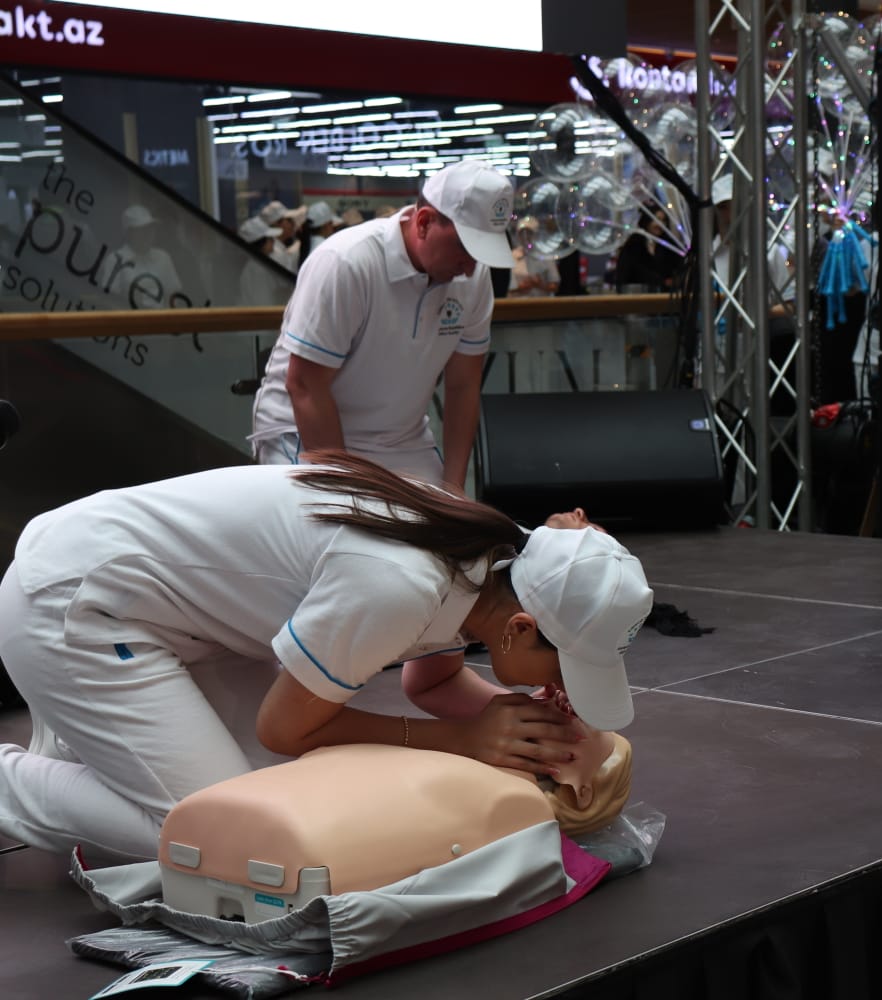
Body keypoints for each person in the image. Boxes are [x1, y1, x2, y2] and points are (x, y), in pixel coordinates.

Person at [0, 453, 654, 861]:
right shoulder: (399, 584)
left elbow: (433, 684)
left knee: (273, 800)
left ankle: (85, 739)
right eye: (566, 669)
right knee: (217, 836)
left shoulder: (502, 557)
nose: (563, 688)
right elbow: (283, 730)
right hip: (75, 601)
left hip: (166, 610)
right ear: (517, 629)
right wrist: (464, 741)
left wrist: (536, 738)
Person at [250, 159, 514, 493]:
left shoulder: (474, 276)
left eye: (482, 251)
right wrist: (346, 492)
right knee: (348, 536)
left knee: (447, 534)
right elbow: (305, 386)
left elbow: (463, 386)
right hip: (301, 432)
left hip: (401, 438)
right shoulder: (348, 262)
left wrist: (454, 489)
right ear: (423, 222)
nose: (470, 266)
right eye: (464, 247)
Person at [613, 208, 679, 293]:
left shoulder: (668, 244)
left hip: (663, 295)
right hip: (637, 294)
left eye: (663, 221)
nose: (660, 224)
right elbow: (628, 270)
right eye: (657, 219)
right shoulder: (635, 242)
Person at [298, 201, 340, 268]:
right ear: (326, 225)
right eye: (331, 223)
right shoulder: (326, 247)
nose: (333, 228)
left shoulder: (308, 242)